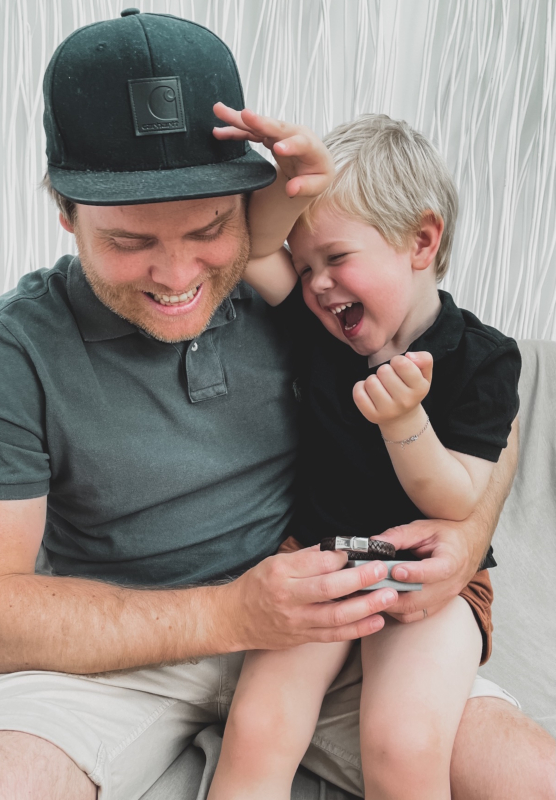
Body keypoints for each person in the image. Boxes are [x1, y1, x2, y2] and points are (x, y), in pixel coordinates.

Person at [0, 10, 553, 800]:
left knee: (530, 777)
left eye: (209, 227)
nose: (176, 274)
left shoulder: (314, 299)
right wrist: (236, 613)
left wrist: (468, 538)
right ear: (64, 212)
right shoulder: (12, 348)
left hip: (333, 616)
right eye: (129, 241)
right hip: (112, 652)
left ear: (250, 204)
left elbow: (484, 403)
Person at [206, 112, 522, 800]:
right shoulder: (322, 330)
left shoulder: (484, 358)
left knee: (401, 745)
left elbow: (457, 501)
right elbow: (255, 248)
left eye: (337, 258)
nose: (318, 283)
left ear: (421, 240)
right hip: (317, 554)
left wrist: (404, 422)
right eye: (308, 263)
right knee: (258, 727)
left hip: (430, 580)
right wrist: (293, 178)